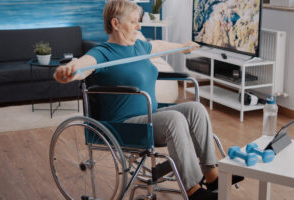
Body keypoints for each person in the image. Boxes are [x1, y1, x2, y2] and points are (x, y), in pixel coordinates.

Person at [54, 0, 243, 199]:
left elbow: (159, 45)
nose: (138, 26)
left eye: (139, 21)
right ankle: (193, 191)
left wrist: (182, 47)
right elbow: (84, 64)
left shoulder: (138, 47)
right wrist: (69, 70)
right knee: (174, 119)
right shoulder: (102, 53)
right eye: (134, 21)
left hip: (150, 115)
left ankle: (211, 174)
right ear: (116, 23)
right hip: (123, 125)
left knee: (196, 108)